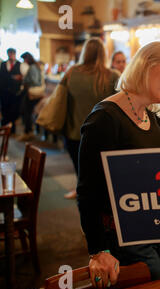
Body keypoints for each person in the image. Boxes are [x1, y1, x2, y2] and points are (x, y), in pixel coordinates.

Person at [77, 41, 160, 289]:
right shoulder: (104, 118)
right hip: (122, 234)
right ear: (146, 64)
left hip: (156, 227)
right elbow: (87, 191)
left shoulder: (150, 116)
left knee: (157, 288)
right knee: (151, 287)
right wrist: (98, 250)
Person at [62, 38, 120, 199]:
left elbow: (62, 98)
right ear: (104, 54)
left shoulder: (72, 72)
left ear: (84, 52)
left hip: (74, 130)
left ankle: (80, 191)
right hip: (103, 133)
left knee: (80, 167)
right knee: (101, 170)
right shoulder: (113, 76)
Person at [16, 52, 43, 142]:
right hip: (32, 92)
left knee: (26, 112)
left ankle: (28, 132)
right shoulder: (35, 66)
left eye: (24, 60)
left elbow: (35, 82)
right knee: (27, 112)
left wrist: (24, 80)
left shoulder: (32, 67)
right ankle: (29, 131)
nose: (24, 62)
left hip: (31, 92)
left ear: (27, 59)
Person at [0, 48, 22, 134]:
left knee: (13, 112)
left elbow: (21, 78)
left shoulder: (19, 64)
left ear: (15, 54)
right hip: (4, 92)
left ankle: (12, 130)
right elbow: (0, 78)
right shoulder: (3, 64)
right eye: (9, 53)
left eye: (12, 53)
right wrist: (13, 77)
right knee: (4, 111)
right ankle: (3, 129)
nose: (10, 55)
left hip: (14, 93)